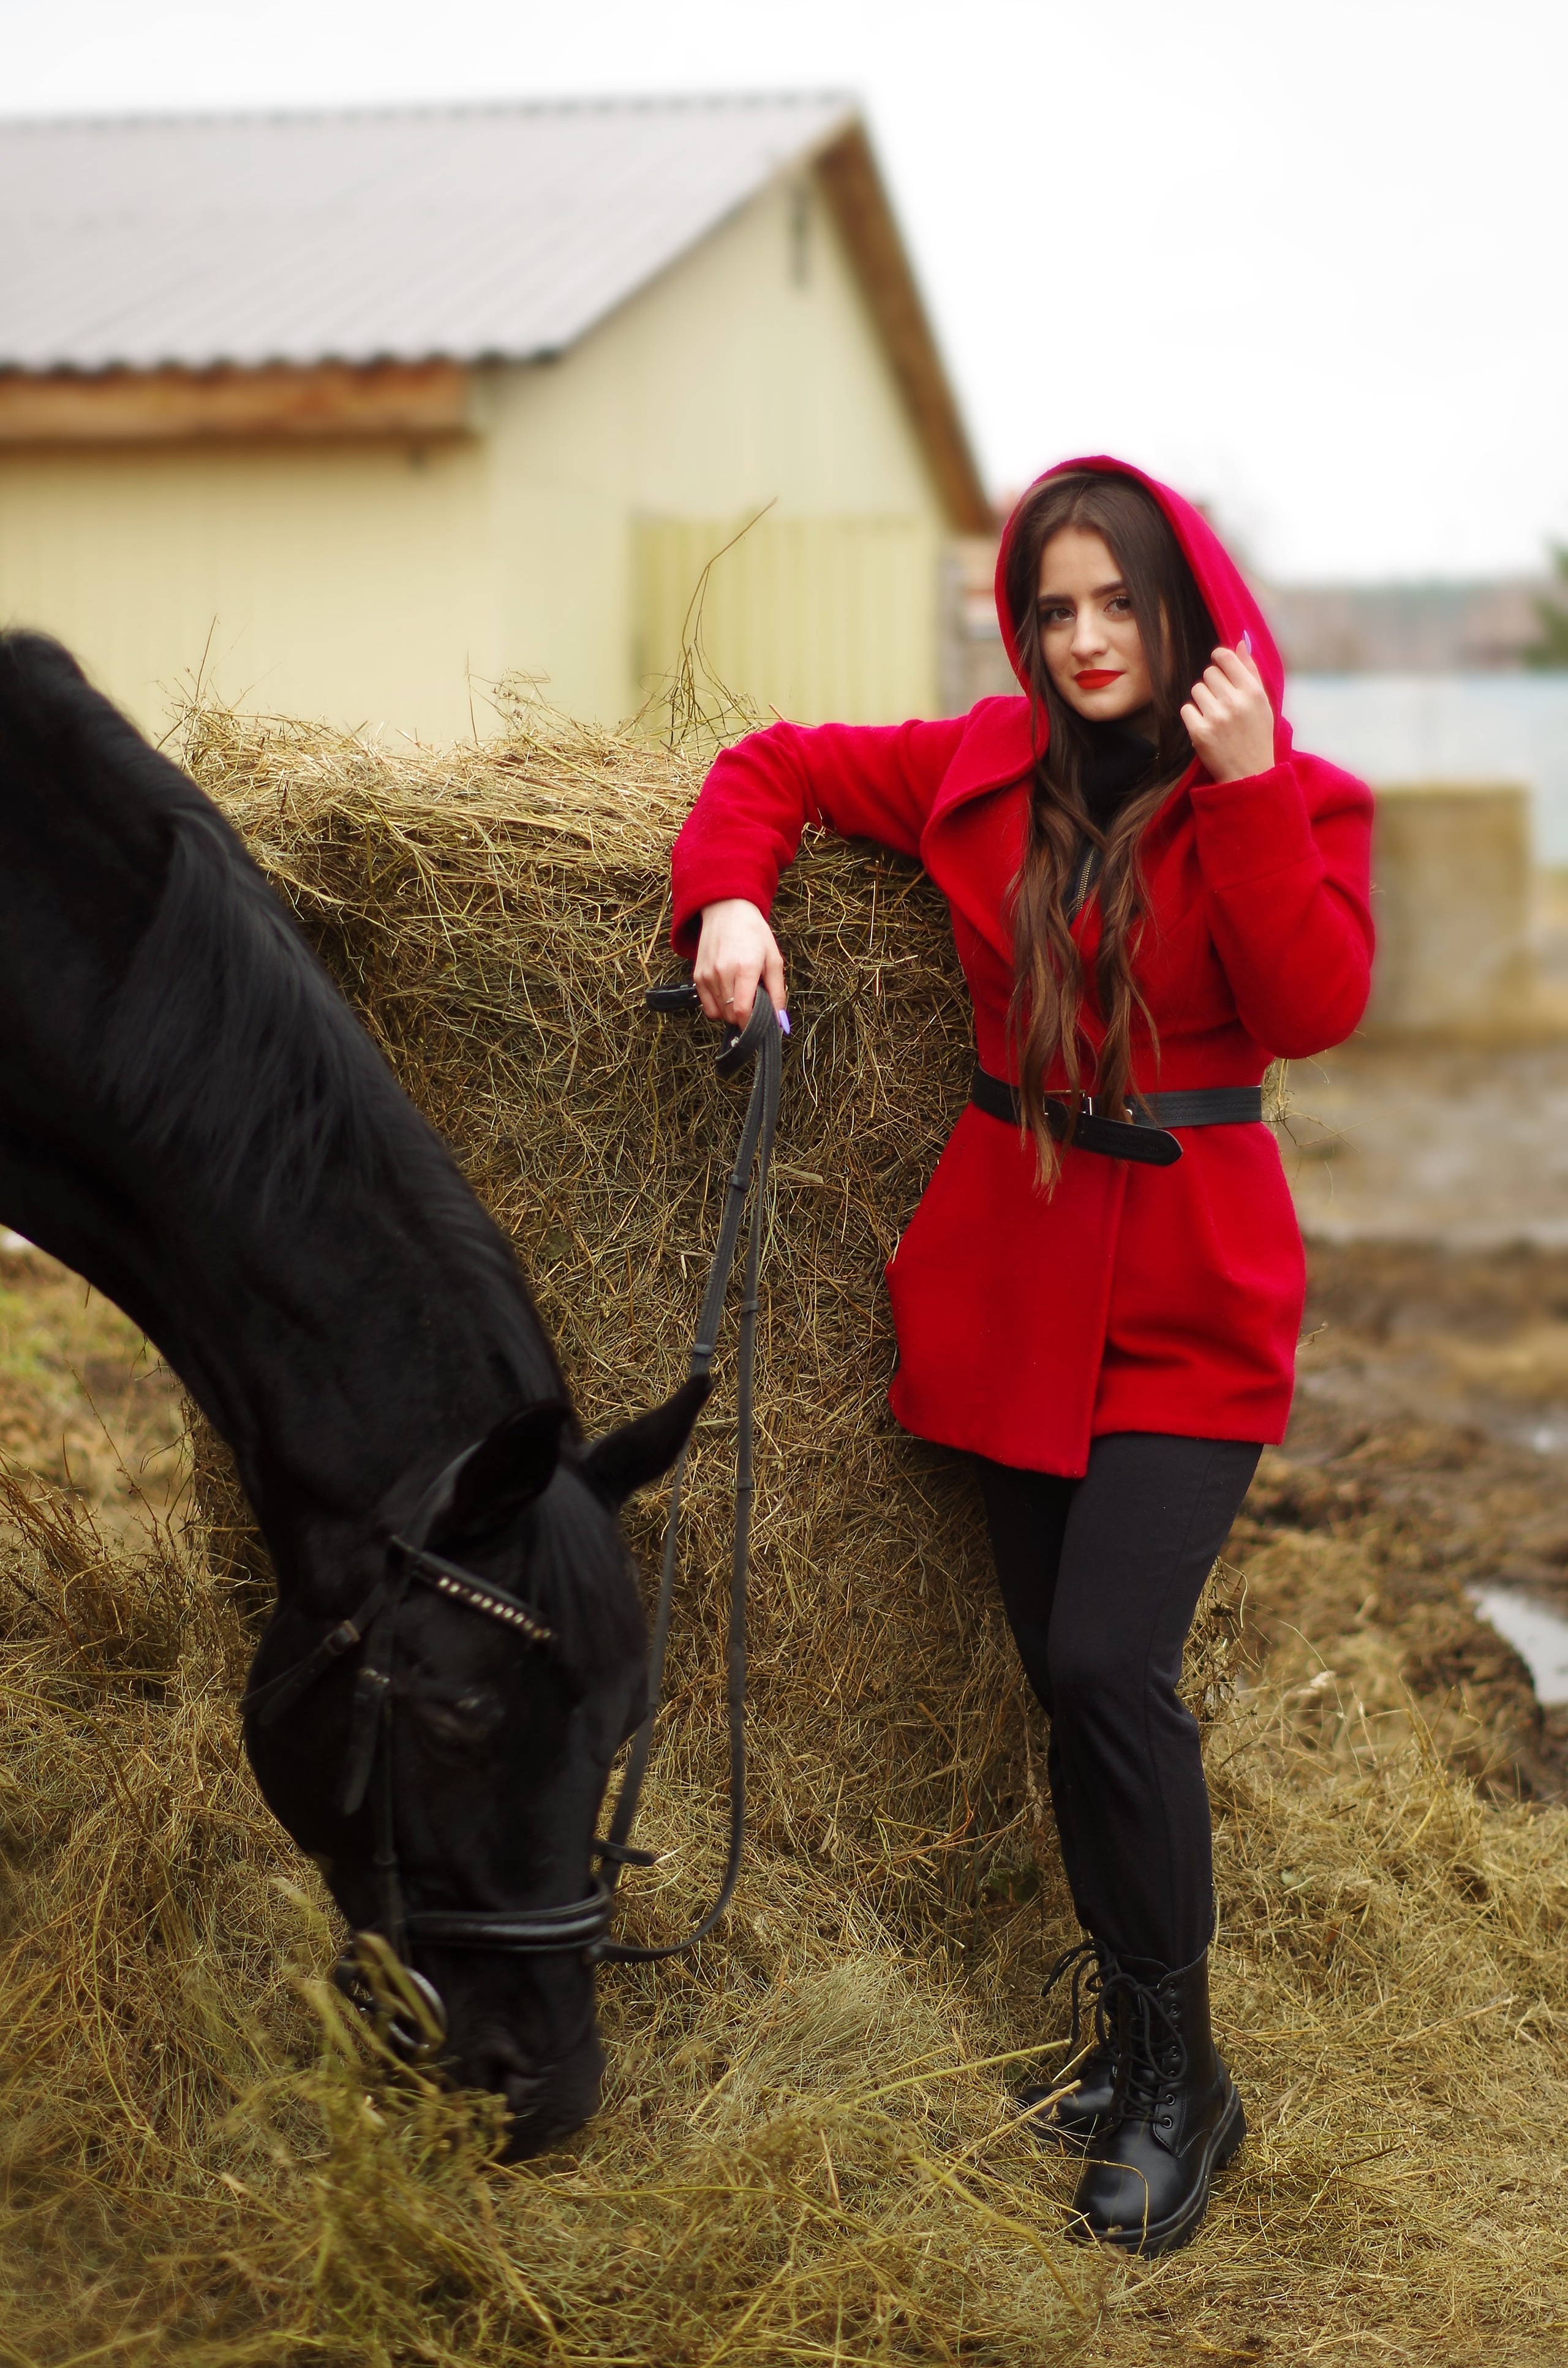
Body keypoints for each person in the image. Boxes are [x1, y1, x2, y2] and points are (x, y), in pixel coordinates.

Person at [668, 456, 1373, 2256]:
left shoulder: (1298, 798)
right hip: (1008, 1284)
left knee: (1108, 1665)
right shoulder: (977, 766)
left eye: (1117, 603)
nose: (1081, 639)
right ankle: (1135, 2044)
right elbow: (773, 770)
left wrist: (1251, 792)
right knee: (1065, 1687)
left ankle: (1186, 2081)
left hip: (1194, 1298)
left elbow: (1311, 1005)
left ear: (1185, 606)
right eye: (1052, 606)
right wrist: (728, 900)